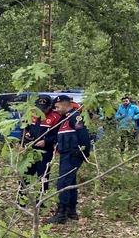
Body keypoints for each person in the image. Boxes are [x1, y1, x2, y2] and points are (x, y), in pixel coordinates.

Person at [47, 95, 92, 224]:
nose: (56, 109)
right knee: (70, 182)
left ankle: (61, 213)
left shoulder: (74, 117)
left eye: (57, 106)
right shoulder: (63, 120)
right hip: (65, 155)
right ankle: (71, 211)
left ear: (65, 104)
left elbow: (83, 136)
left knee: (63, 183)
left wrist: (83, 153)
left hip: (72, 155)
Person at [20, 94, 60, 202]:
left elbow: (58, 135)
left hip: (45, 152)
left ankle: (41, 202)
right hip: (30, 150)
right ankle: (21, 199)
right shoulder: (31, 114)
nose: (41, 111)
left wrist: (46, 141)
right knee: (25, 174)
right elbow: (23, 129)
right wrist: (26, 135)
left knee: (43, 176)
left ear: (49, 107)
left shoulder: (55, 117)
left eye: (44, 109)